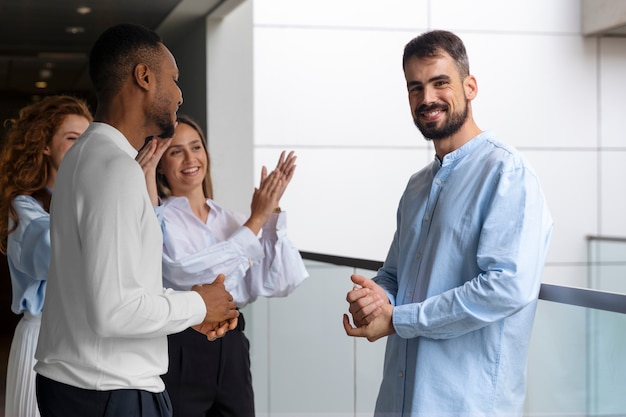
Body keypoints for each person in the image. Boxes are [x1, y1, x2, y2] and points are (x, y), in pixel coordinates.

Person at [343, 30, 554, 416]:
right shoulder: (417, 185)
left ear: (470, 86)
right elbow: (394, 275)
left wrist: (398, 319)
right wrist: (375, 301)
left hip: (465, 405)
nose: (427, 98)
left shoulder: (507, 173)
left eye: (440, 82)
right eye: (415, 88)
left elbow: (506, 288)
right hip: (400, 401)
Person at [33, 23, 239, 417]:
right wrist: (198, 304)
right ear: (144, 76)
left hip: (88, 388)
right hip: (109, 394)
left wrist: (190, 308)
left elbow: (115, 291)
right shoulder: (114, 168)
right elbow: (115, 310)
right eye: (174, 79)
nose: (180, 94)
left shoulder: (87, 157)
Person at [137, 115, 308, 417]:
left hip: (231, 346)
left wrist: (272, 213)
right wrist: (255, 221)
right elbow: (186, 274)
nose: (190, 159)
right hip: (181, 344)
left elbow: (282, 281)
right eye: (176, 151)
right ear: (160, 164)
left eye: (196, 147)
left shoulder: (231, 219)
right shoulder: (158, 220)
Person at [0, 95, 92, 417]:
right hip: (42, 338)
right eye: (72, 139)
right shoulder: (25, 207)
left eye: (88, 139)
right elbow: (54, 254)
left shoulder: (96, 198)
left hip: (85, 342)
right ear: (45, 147)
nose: (83, 148)